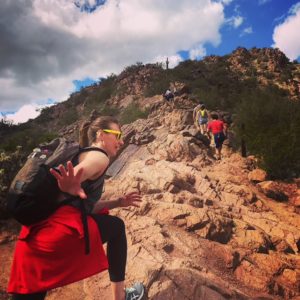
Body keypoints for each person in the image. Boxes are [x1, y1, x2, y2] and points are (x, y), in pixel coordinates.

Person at [7, 116, 145, 300]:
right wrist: (68, 186)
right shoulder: (99, 156)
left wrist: (118, 202)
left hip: (34, 239)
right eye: (117, 134)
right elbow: (77, 175)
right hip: (55, 234)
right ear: (101, 135)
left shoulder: (83, 153)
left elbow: (83, 207)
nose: (121, 141)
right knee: (117, 227)